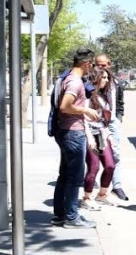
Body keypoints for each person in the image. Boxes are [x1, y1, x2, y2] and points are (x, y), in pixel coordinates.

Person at [52, 48, 99, 229]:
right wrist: (86, 110)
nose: (92, 68)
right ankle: (71, 217)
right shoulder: (75, 82)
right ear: (86, 63)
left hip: (67, 132)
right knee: (74, 177)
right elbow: (65, 106)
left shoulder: (68, 78)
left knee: (65, 175)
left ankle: (62, 214)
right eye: (92, 64)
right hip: (72, 133)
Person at [81, 67, 117, 211]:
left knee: (110, 165)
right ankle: (87, 197)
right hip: (90, 134)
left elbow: (104, 119)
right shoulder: (87, 96)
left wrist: (108, 134)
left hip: (102, 133)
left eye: (108, 78)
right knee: (94, 167)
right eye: (104, 78)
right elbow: (83, 118)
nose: (107, 80)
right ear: (96, 78)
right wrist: (89, 137)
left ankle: (102, 194)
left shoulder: (104, 96)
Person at [94, 54, 129, 201]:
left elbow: (120, 103)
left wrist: (119, 118)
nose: (101, 68)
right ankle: (91, 185)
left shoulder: (116, 82)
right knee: (93, 156)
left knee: (115, 154)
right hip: (95, 124)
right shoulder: (92, 82)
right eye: (98, 65)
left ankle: (117, 185)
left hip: (112, 123)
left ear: (109, 64)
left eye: (104, 65)